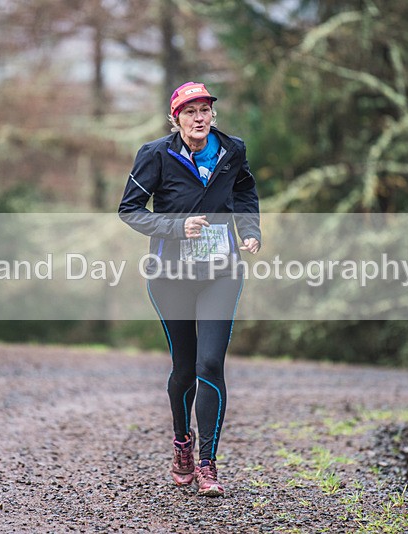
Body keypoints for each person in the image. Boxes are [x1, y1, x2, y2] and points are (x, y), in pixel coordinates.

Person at [118, 81, 261, 496]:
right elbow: (129, 210)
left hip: (221, 270)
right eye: (190, 112)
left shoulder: (232, 150)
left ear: (212, 115)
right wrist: (176, 227)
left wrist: (249, 230)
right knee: (184, 369)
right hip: (170, 275)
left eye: (205, 110)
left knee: (210, 364)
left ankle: (207, 464)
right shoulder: (155, 155)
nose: (200, 118)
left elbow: (245, 190)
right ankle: (183, 442)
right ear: (175, 118)